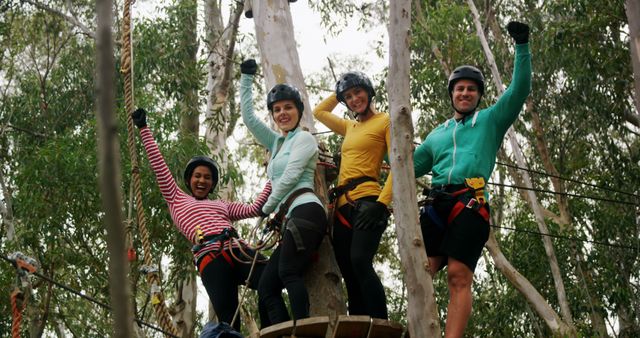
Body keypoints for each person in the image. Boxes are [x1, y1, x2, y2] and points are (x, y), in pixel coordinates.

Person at [413, 21, 531, 336]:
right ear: (451, 94)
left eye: (471, 89)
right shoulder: (438, 133)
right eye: (459, 88)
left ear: (478, 95)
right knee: (419, 273)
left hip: (469, 204)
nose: (465, 93)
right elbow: (407, 166)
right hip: (436, 206)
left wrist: (522, 45)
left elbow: (518, 91)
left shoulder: (490, 120)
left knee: (457, 275)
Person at [131, 108, 272, 332]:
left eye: (207, 177)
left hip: (237, 248)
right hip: (211, 258)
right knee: (229, 320)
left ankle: (271, 331)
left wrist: (275, 176)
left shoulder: (222, 205)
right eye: (197, 176)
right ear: (189, 180)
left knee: (271, 276)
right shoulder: (177, 199)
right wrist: (144, 129)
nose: (202, 180)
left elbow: (256, 208)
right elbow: (159, 167)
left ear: (212, 184)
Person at [239, 59, 327, 325]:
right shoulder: (277, 142)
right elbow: (249, 119)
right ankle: (282, 331)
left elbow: (290, 177)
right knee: (266, 285)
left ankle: (303, 329)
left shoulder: (304, 138)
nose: (282, 113)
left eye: (288, 107)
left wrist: (267, 208)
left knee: (289, 272)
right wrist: (246, 78)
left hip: (306, 209)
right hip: (290, 217)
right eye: (276, 110)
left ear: (299, 111)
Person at [312, 71, 393, 319]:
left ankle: (380, 323)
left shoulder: (386, 121)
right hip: (342, 206)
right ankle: (359, 325)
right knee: (348, 270)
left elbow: (400, 166)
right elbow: (319, 112)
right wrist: (338, 94)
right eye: (348, 96)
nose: (354, 99)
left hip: (368, 200)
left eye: (358, 92)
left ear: (369, 92)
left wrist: (382, 204)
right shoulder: (350, 126)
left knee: (360, 260)